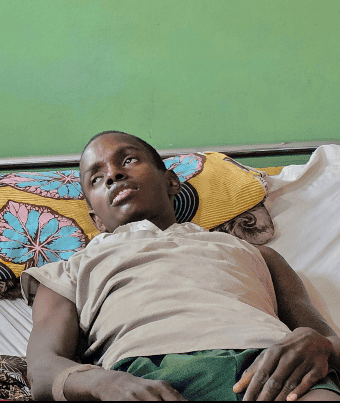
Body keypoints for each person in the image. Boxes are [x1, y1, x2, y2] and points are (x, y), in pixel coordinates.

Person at [23, 130, 340, 401]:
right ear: (97, 220)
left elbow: (329, 339)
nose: (113, 175)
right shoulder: (69, 270)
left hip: (273, 370)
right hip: (145, 379)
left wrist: (321, 346)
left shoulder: (256, 254)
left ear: (172, 182)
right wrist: (106, 384)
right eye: (96, 178)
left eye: (128, 160)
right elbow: (42, 370)